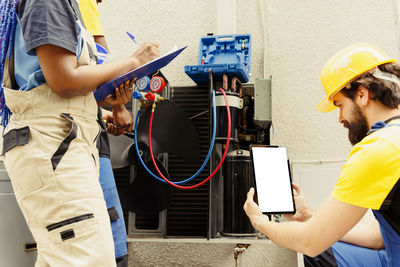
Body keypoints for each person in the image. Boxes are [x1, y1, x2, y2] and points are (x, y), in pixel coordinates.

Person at [0, 0, 159, 266]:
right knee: (89, 258)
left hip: (55, 143)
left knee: (66, 257)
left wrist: (100, 101)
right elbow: (63, 79)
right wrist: (133, 61)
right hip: (54, 147)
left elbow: (48, 86)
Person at [244, 43, 400, 267]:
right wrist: (309, 216)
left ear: (362, 95)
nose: (340, 118)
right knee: (325, 249)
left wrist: (259, 222)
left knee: (314, 246)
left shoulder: (380, 149)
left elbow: (310, 242)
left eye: (339, 105)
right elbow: (379, 238)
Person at [79, 0, 132, 265]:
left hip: (73, 130)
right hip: (83, 141)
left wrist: (103, 113)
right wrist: (120, 106)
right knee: (113, 241)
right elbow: (102, 58)